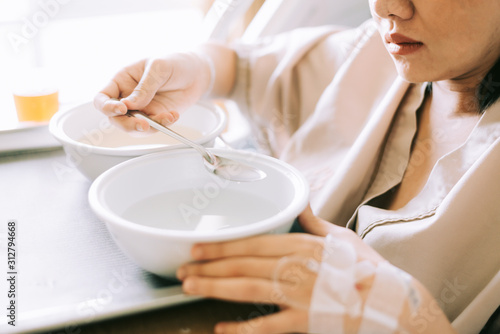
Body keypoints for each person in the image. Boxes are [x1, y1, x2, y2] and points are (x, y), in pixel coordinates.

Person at [94, 0, 500, 333]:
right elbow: (246, 66)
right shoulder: (382, 51)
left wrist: (409, 324)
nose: (386, 7)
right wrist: (196, 68)